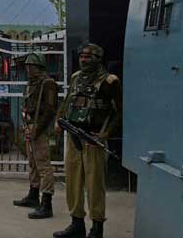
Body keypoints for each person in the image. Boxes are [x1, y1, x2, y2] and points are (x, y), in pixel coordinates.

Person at [53, 43, 121, 238]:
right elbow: (67, 101)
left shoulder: (109, 81)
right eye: (82, 56)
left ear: (98, 59)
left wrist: (105, 134)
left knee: (94, 184)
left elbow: (118, 112)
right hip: (74, 136)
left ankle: (97, 228)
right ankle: (77, 224)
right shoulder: (76, 77)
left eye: (88, 57)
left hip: (93, 139)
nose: (83, 60)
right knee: (73, 182)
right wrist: (59, 120)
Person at [13, 52, 57, 219]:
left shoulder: (47, 84)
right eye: (27, 66)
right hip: (30, 126)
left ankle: (46, 203)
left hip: (40, 128)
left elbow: (50, 110)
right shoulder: (31, 83)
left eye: (31, 66)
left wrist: (37, 130)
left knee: (43, 166)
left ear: (39, 67)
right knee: (33, 163)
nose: (28, 69)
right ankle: (33, 194)